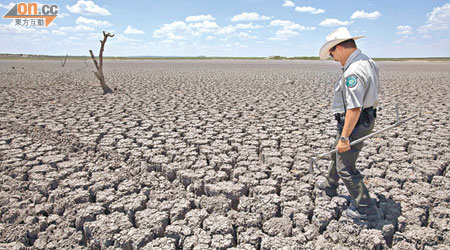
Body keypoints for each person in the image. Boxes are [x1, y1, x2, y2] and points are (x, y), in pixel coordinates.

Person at [317, 27, 381, 222]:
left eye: (332, 53)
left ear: (341, 48)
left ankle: (366, 210)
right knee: (336, 152)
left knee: (346, 166)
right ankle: (329, 185)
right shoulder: (368, 61)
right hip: (360, 120)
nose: (333, 58)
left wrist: (345, 137)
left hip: (354, 123)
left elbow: (354, 108)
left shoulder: (353, 71)